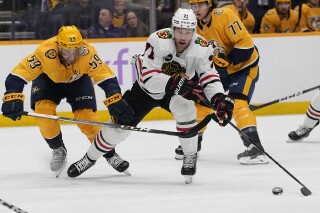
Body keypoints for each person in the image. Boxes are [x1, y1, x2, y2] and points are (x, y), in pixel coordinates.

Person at [66, 8, 234, 183]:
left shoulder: (203, 47)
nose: (183, 37)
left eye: (187, 32)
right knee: (117, 129)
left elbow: (209, 77)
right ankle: (89, 158)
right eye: (179, 32)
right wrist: (174, 83)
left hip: (176, 92)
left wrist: (218, 98)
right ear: (172, 29)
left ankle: (190, 155)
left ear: (194, 31)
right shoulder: (158, 39)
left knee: (186, 110)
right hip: (145, 91)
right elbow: (148, 77)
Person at [1, 25, 134, 177]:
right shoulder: (45, 52)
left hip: (78, 82)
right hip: (48, 81)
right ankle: (58, 148)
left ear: (80, 46)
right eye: (66, 51)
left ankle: (109, 154)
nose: (71, 56)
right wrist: (12, 95)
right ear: (58, 46)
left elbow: (106, 77)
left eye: (75, 51)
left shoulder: (87, 52)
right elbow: (18, 74)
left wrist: (114, 97)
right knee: (43, 111)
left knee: (87, 118)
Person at [185, 0, 269, 165]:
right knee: (201, 102)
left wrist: (229, 60)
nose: (196, 9)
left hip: (244, 67)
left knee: (237, 103)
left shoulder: (225, 15)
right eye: (193, 6)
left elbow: (246, 46)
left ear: (210, 4)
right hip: (221, 71)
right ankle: (193, 144)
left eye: (200, 5)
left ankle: (255, 147)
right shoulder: (193, 26)